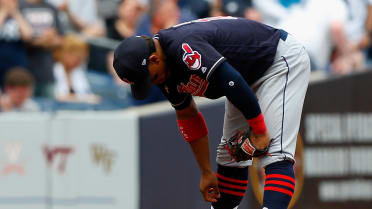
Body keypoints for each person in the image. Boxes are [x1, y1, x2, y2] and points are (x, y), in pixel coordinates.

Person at [113, 17, 310, 209]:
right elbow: (187, 115)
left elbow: (232, 82)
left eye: (151, 77)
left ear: (154, 59)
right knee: (230, 155)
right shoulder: (162, 66)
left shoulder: (183, 47)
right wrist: (206, 172)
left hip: (277, 60)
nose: (153, 83)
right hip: (244, 76)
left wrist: (260, 131)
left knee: (275, 152)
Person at [20, 0, 64, 98]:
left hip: (46, 72)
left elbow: (60, 40)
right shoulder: (19, 6)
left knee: (50, 108)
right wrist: (43, 40)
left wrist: (49, 39)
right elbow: (20, 38)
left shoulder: (51, 8)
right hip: (23, 73)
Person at [52, 34, 99, 104]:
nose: (79, 62)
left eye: (81, 58)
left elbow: (88, 94)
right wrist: (84, 99)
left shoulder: (78, 71)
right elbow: (59, 97)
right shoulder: (56, 69)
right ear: (64, 53)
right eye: (77, 58)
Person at [0, 0, 33, 88]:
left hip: (17, 64)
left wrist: (15, 13)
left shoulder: (21, 14)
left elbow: (28, 35)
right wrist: (4, 11)